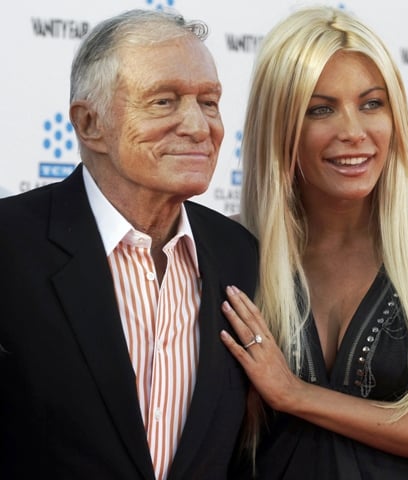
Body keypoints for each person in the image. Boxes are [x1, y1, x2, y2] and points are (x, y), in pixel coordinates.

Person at [219, 6, 408, 479]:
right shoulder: (231, 246)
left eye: (372, 104)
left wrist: (296, 394)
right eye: (320, 109)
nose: (353, 132)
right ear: (280, 125)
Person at [0, 9, 258, 480]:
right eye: (163, 102)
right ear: (89, 123)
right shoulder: (9, 246)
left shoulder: (241, 255)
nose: (199, 127)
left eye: (209, 102)